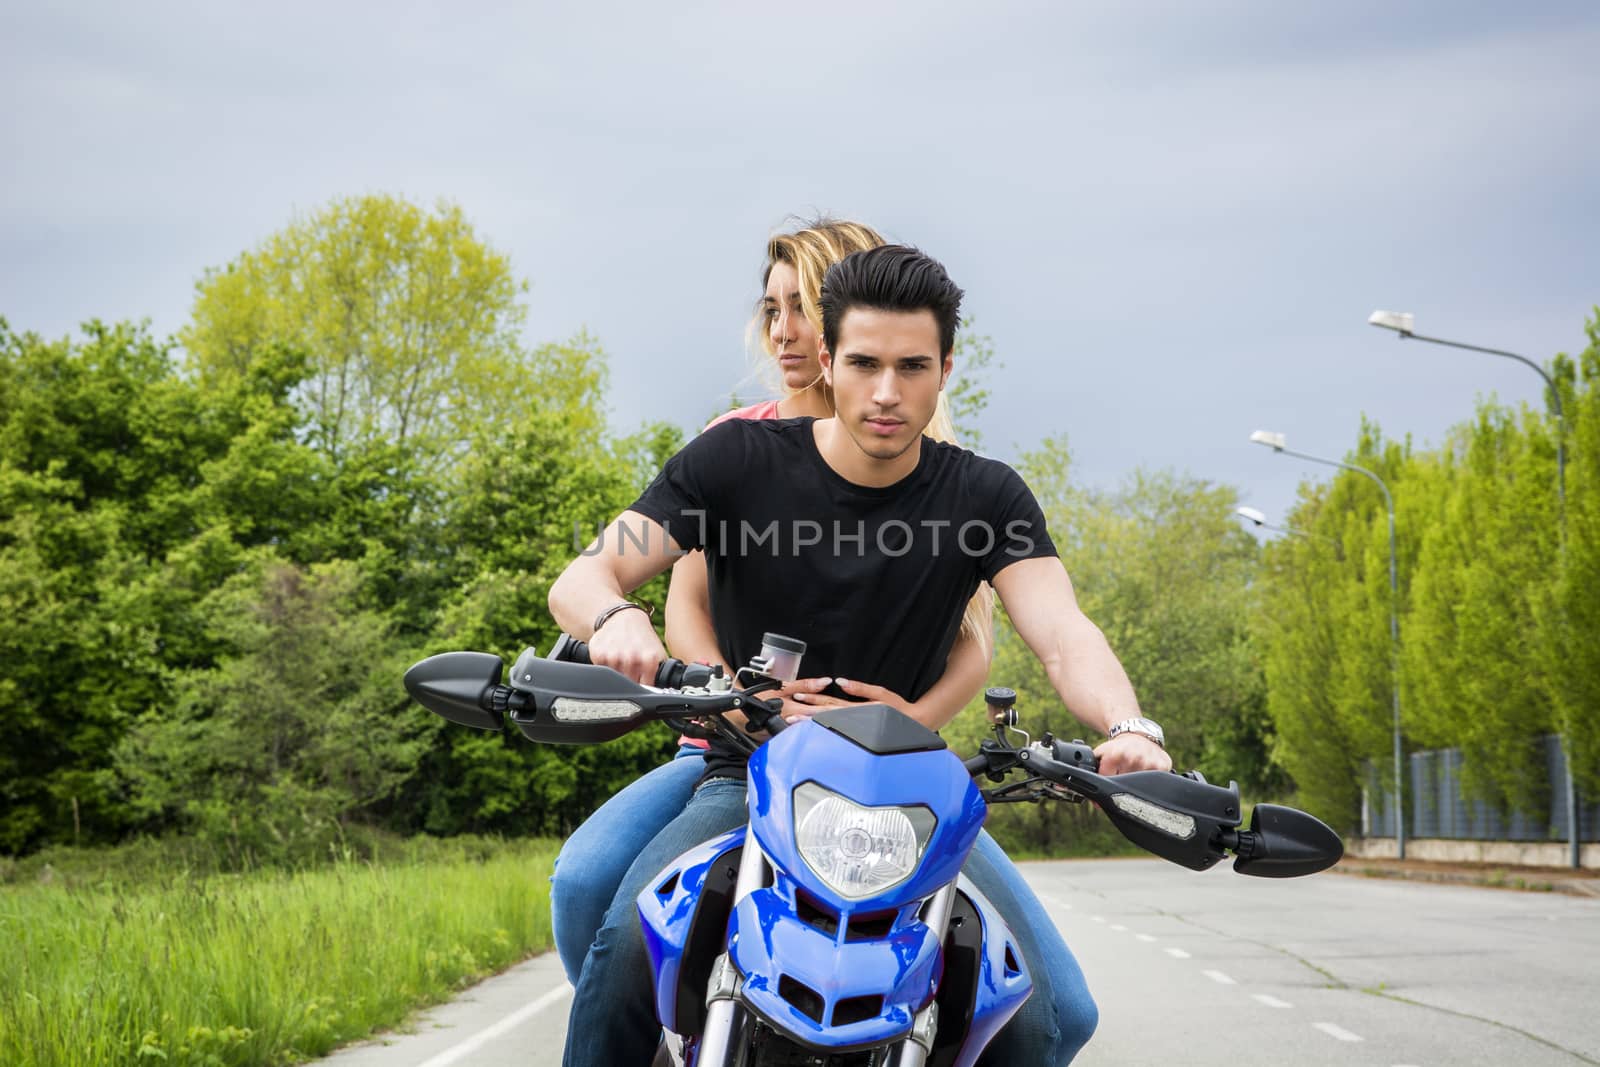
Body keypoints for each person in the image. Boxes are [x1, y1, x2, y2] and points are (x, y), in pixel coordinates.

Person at [548, 244, 1169, 1065]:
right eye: (865, 363)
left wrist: (1130, 726)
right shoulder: (731, 463)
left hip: (911, 788)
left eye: (912, 366)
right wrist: (613, 614)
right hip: (752, 769)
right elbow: (587, 571)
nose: (886, 392)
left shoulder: (987, 496)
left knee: (1054, 1017)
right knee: (631, 938)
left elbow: (1061, 630)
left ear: (946, 367)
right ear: (829, 363)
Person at [547, 220, 992, 985]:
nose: (783, 332)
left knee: (1035, 997)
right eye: (771, 310)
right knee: (587, 885)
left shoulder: (933, 465)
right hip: (730, 748)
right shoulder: (736, 445)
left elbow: (974, 642)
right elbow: (685, 598)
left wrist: (907, 724)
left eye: (803, 305)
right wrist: (732, 699)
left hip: (883, 771)